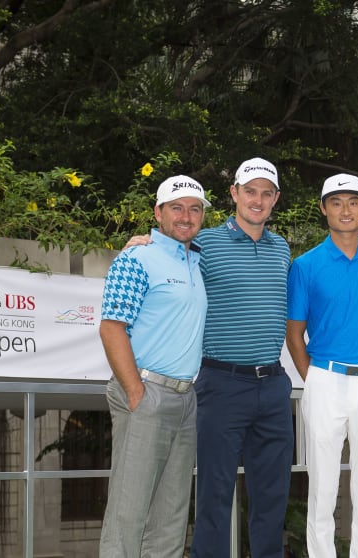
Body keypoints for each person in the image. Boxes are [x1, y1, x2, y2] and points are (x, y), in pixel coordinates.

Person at [285, 173, 358, 558]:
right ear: (323, 209)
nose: (345, 210)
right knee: (321, 485)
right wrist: (317, 379)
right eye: (336, 202)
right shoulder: (305, 265)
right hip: (324, 379)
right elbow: (294, 334)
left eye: (353, 202)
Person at [98, 175, 210, 557]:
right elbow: (112, 327)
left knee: (171, 517)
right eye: (176, 208)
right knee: (128, 516)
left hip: (185, 397)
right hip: (147, 393)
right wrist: (135, 392)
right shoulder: (137, 258)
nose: (186, 216)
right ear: (158, 213)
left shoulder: (196, 259)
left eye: (194, 209)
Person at [189, 158, 294, 558]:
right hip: (222, 384)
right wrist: (142, 240)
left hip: (272, 385)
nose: (258, 200)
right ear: (234, 193)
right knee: (214, 495)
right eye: (250, 191)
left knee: (272, 498)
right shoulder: (205, 243)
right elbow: (169, 254)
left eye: (267, 193)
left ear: (276, 199)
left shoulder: (281, 247)